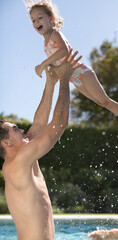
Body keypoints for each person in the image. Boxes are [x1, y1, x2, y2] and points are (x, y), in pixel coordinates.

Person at [23, 0, 118, 144]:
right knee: (100, 102)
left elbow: (64, 51)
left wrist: (43, 64)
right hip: (73, 78)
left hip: (81, 72)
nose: (36, 22)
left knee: (104, 100)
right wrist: (51, 70)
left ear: (51, 18)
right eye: (33, 20)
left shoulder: (55, 34)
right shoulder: (45, 44)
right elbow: (59, 63)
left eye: (40, 17)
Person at [0, 50, 82, 240]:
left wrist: (51, 82)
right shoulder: (18, 162)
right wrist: (65, 79)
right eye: (16, 129)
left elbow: (38, 125)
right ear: (6, 142)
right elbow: (59, 123)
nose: (21, 129)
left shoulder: (22, 157)